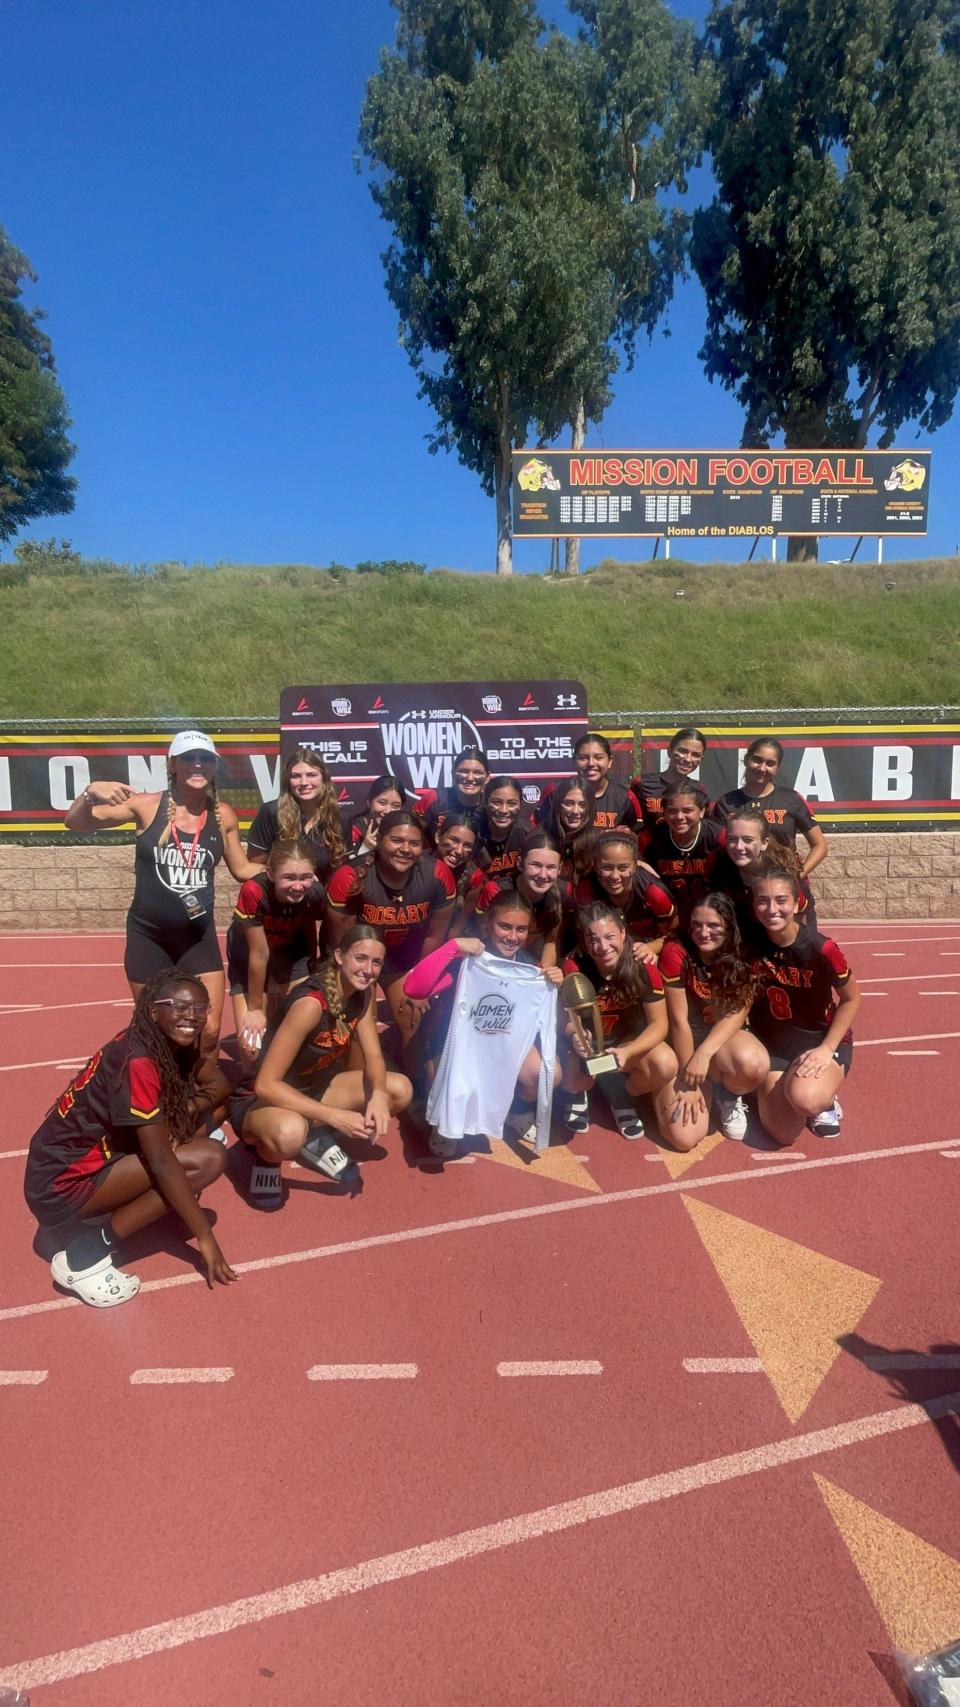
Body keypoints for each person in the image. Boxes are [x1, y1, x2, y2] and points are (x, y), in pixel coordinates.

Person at [24, 972, 236, 1306]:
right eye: (179, 1006)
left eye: (200, 1008)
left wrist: (191, 1107)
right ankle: (87, 1251)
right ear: (153, 1010)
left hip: (87, 1161)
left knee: (213, 1118)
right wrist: (205, 1238)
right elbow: (162, 1163)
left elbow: (219, 1086)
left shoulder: (165, 1039)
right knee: (209, 1159)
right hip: (60, 1183)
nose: (191, 1016)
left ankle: (118, 1214)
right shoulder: (138, 1060)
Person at [63, 730, 256, 1055]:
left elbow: (242, 870)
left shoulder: (223, 815)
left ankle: (198, 1099)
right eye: (189, 758)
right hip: (148, 939)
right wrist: (89, 793)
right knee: (154, 1031)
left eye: (205, 758)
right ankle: (160, 1099)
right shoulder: (146, 806)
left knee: (207, 1031)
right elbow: (76, 823)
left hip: (197, 939)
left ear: (214, 767)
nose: (198, 765)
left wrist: (295, 870)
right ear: (174, 765)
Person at [228, 925, 412, 1207]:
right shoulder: (311, 1004)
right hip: (261, 1100)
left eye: (377, 962)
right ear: (339, 956)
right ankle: (265, 1159)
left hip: (314, 1088)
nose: (368, 969)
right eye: (360, 958)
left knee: (398, 1089)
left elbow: (374, 1056)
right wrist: (334, 1117)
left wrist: (376, 1095)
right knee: (289, 1134)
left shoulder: (360, 994)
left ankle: (313, 1134)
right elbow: (266, 1085)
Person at [403, 890, 562, 1158]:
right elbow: (415, 987)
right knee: (452, 1080)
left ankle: (513, 1111)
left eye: (521, 929)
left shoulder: (529, 969)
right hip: (456, 1050)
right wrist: (452, 948)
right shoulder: (468, 961)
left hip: (501, 1047)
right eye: (505, 926)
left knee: (548, 1074)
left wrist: (554, 982)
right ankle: (444, 1123)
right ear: (488, 923)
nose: (513, 936)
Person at [324, 809, 456, 1056]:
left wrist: (421, 983)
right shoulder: (349, 877)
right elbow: (343, 943)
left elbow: (435, 936)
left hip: (405, 961)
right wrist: (360, 988)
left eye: (414, 843)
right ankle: (360, 1083)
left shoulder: (437, 874)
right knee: (361, 1029)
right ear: (379, 840)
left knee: (414, 1019)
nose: (405, 849)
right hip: (361, 961)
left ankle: (412, 1080)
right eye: (396, 840)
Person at [749, 871, 860, 1145]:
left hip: (817, 1043)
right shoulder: (749, 944)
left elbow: (852, 998)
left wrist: (826, 1049)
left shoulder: (822, 948)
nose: (772, 909)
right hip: (772, 1046)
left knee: (806, 1099)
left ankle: (825, 1098)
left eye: (781, 900)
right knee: (782, 1135)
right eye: (763, 901)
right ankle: (772, 1088)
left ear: (797, 904)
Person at [658, 893, 769, 1147]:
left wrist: (704, 1054)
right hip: (682, 1045)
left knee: (753, 1064)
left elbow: (738, 1012)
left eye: (713, 926)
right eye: (696, 925)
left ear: (728, 927)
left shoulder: (743, 953)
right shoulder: (676, 951)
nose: (703, 932)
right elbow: (679, 1021)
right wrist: (688, 1079)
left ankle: (728, 1095)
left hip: (719, 1045)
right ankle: (663, 1094)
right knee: (683, 1139)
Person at [562, 902, 676, 1139]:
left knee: (665, 1064)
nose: (603, 947)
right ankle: (579, 1092)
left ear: (623, 933)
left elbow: (659, 1024)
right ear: (584, 941)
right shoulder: (574, 967)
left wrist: (628, 1052)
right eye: (593, 939)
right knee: (573, 1081)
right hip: (589, 1048)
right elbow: (563, 1019)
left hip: (624, 1045)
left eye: (610, 936)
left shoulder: (642, 967)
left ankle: (621, 1095)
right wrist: (576, 1035)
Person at [226, 837, 324, 1059]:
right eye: (289, 877)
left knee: (304, 1024)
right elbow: (259, 954)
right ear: (270, 873)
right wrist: (254, 1009)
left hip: (290, 951)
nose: (298, 886)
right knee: (251, 1048)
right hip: (250, 953)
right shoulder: (254, 891)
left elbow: (316, 928)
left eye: (305, 877)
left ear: (314, 874)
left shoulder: (315, 892)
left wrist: (314, 964)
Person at [711, 736, 828, 879]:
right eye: (757, 760)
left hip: (782, 887)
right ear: (747, 759)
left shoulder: (792, 799)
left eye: (770, 763)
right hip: (739, 887)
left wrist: (797, 877)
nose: (762, 768)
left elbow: (819, 846)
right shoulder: (726, 803)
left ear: (778, 768)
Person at [713, 805, 817, 939]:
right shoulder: (719, 863)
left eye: (748, 840)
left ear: (764, 843)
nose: (739, 847)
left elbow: (798, 918)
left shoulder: (782, 872)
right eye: (732, 839)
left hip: (779, 931)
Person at [572, 829, 677, 961]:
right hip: (605, 951)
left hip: (646, 953)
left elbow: (674, 934)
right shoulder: (586, 891)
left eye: (623, 868)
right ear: (595, 865)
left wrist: (651, 947)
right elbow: (584, 934)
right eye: (607, 867)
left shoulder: (654, 893)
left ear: (634, 866)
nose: (615, 876)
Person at [246, 745, 346, 876]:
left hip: (322, 894)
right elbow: (255, 865)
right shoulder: (271, 812)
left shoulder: (340, 817)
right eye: (296, 776)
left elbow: (341, 870)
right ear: (288, 780)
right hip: (281, 892)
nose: (304, 782)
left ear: (324, 778)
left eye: (311, 775)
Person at [473, 831, 564, 966]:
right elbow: (480, 936)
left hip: (526, 963)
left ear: (560, 869)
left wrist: (543, 976)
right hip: (490, 960)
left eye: (551, 867)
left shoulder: (557, 896)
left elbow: (550, 942)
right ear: (520, 863)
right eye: (536, 865)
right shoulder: (495, 891)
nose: (543, 875)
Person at [643, 782, 725, 926]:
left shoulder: (718, 837)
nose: (679, 817)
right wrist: (639, 862)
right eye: (672, 811)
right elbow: (633, 859)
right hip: (667, 914)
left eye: (687, 811)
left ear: (701, 812)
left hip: (712, 914)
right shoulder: (652, 837)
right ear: (664, 812)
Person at [633, 726, 708, 834]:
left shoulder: (699, 790)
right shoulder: (642, 784)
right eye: (683, 751)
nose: (688, 759)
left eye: (695, 755)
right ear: (669, 751)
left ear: (701, 760)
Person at [416, 746, 490, 840]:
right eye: (463, 771)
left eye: (477, 773)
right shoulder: (434, 798)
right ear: (453, 773)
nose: (470, 778)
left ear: (487, 777)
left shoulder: (492, 805)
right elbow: (411, 835)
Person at [473, 775, 530, 879]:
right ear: (485, 803)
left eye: (511, 803)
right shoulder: (472, 833)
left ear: (520, 805)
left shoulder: (528, 834)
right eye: (496, 802)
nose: (503, 810)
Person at [541, 776, 597, 881]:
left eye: (582, 805)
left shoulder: (596, 842)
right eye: (569, 804)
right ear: (558, 804)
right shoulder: (540, 838)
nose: (575, 811)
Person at [343, 774, 406, 862]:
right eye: (382, 803)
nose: (388, 811)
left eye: (395, 806)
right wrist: (365, 848)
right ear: (369, 802)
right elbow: (344, 871)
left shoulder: (404, 831)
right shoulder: (350, 829)